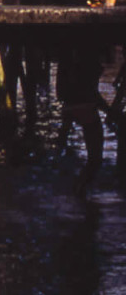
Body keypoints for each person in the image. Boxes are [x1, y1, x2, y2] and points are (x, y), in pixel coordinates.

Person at [57, 46, 107, 195]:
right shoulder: (88, 57)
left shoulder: (72, 55)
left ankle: (77, 192)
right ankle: (79, 193)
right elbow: (90, 91)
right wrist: (110, 111)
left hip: (72, 104)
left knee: (64, 150)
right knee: (95, 160)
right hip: (84, 105)